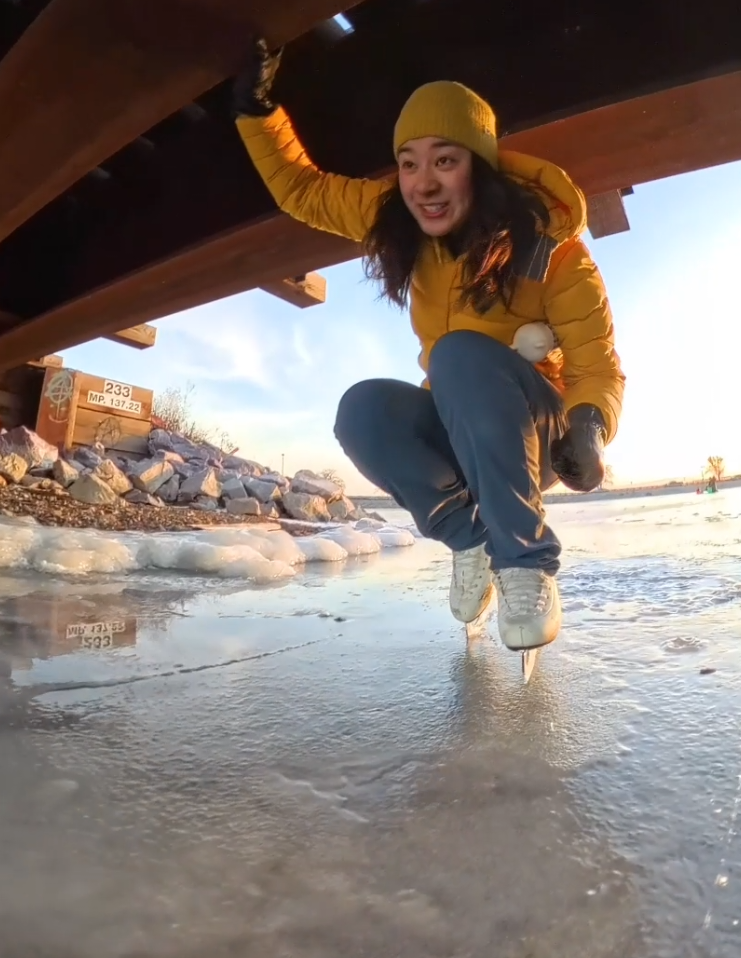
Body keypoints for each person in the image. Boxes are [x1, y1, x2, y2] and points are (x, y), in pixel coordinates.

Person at [232, 40, 624, 651]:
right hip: (459, 420)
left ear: (480, 166)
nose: (423, 183)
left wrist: (589, 426)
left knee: (459, 353)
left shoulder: (553, 253)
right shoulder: (399, 220)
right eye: (409, 163)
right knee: (363, 407)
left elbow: (595, 362)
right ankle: (470, 543)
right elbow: (301, 190)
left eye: (445, 161)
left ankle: (524, 566)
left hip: (537, 436)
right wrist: (256, 110)